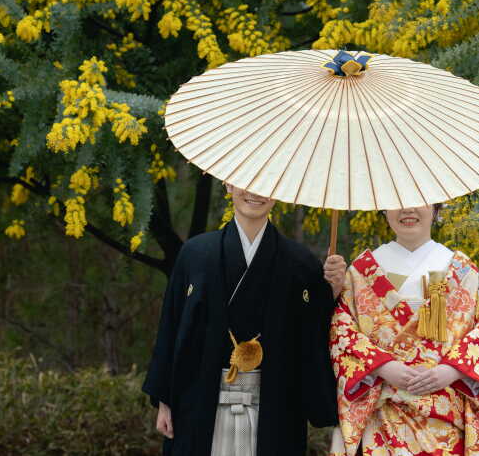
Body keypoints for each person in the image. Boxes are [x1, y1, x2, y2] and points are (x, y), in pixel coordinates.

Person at [142, 183, 338, 456]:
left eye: (267, 183)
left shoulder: (300, 262)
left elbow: (314, 337)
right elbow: (171, 327)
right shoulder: (195, 254)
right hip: (201, 398)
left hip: (274, 403)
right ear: (228, 185)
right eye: (246, 183)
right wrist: (165, 399)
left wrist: (333, 291)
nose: (255, 193)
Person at [322, 204, 479, 456]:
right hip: (381, 415)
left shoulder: (462, 270)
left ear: (437, 207)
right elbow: (341, 331)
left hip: (444, 417)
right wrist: (382, 366)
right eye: (397, 202)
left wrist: (450, 371)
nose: (408, 210)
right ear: (384, 209)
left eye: (420, 201)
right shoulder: (361, 271)